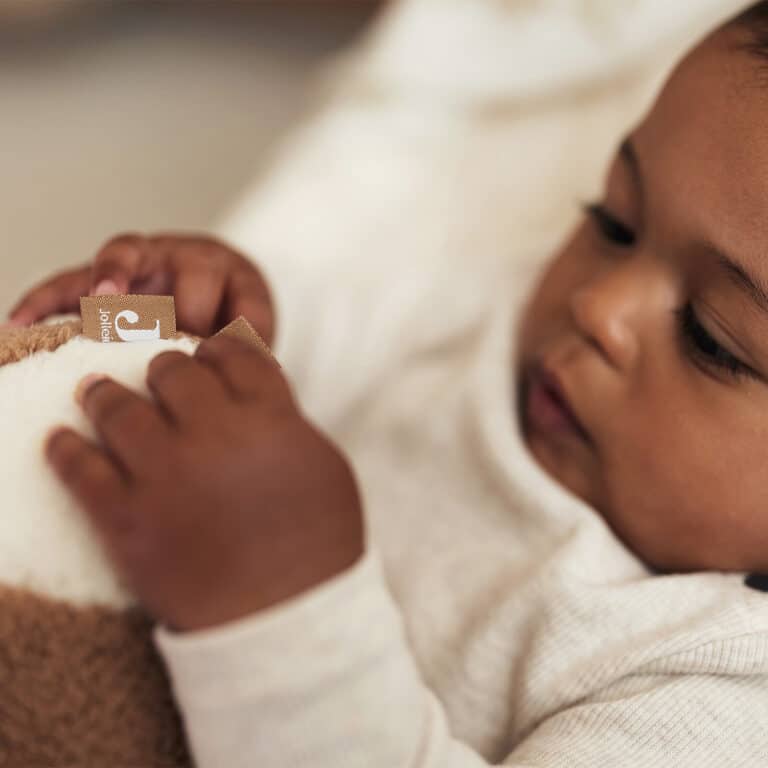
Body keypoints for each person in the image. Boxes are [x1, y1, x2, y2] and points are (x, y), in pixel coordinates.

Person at [7, 2, 768, 765]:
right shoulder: (497, 328)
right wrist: (170, 316)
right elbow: (295, 350)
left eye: (713, 337)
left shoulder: (714, 690)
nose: (597, 304)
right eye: (614, 220)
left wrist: (284, 615)